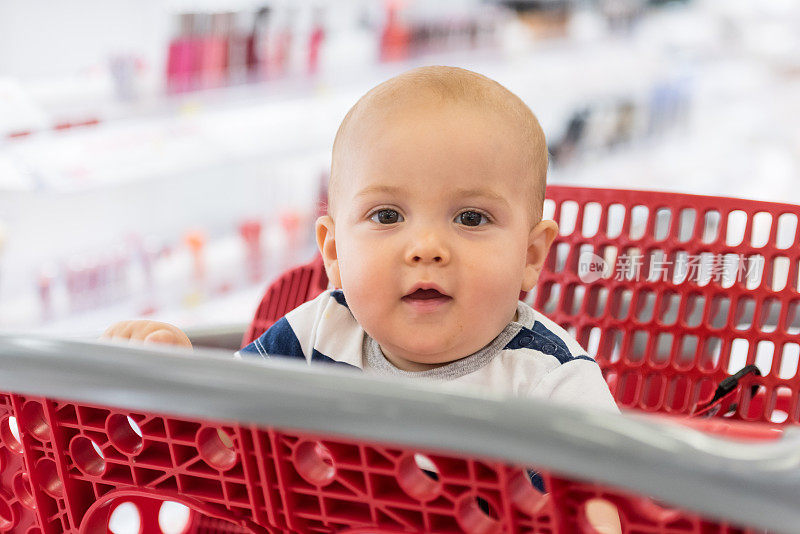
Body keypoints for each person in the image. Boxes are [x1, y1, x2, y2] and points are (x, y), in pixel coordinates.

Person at [103, 65, 621, 532]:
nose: (426, 249)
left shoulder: (550, 380)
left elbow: (603, 512)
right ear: (333, 250)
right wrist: (172, 377)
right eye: (387, 216)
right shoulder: (317, 332)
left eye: (471, 218)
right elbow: (224, 445)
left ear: (531, 255)